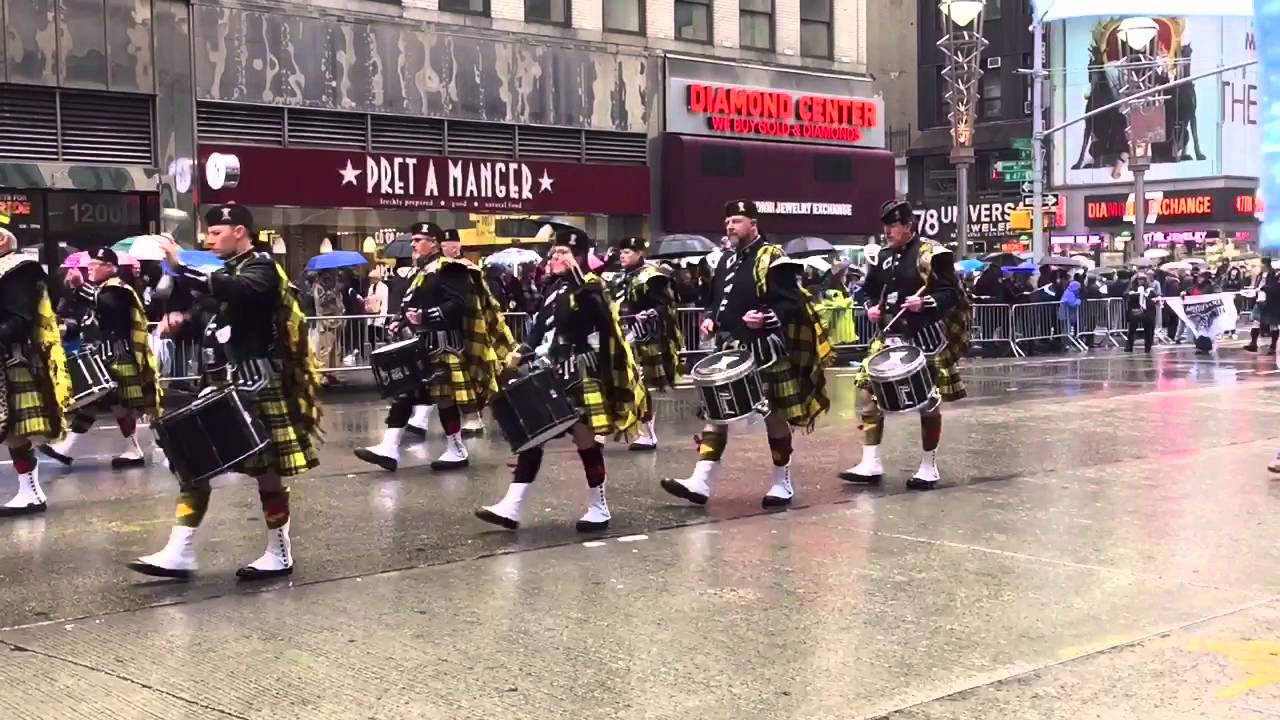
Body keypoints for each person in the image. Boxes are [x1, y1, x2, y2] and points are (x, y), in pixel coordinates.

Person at [130, 204, 323, 580]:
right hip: (218, 383)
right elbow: (209, 312)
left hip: (254, 383)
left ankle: (279, 552)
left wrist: (180, 265)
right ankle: (178, 551)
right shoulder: (225, 271)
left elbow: (237, 291)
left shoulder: (262, 268)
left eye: (215, 233)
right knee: (193, 465)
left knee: (267, 474)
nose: (208, 239)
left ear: (239, 231)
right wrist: (182, 322)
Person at [661, 201, 832, 508]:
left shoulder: (772, 256)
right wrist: (711, 317)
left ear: (753, 223)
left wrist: (767, 317)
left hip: (764, 347)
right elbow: (716, 299)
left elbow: (791, 302)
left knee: (773, 415)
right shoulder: (726, 259)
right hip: (730, 347)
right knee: (716, 413)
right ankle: (700, 482)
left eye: (736, 220)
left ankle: (782, 482)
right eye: (727, 221)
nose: (729, 226)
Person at [475, 229, 643, 532]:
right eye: (553, 253)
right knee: (533, 437)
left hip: (578, 372)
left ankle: (598, 506)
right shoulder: (553, 289)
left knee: (585, 441)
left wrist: (582, 285)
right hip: (547, 371)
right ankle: (511, 507)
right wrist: (520, 353)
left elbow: (605, 321)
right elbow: (538, 331)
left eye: (562, 253)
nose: (554, 258)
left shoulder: (592, 288)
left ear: (578, 257)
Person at [355, 225, 512, 471]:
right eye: (413, 240)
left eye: (419, 240)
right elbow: (414, 307)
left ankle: (454, 449)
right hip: (423, 346)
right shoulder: (423, 273)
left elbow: (457, 304)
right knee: (408, 392)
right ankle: (391, 447)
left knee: (443, 399)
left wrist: (425, 315)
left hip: (444, 346)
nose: (413, 245)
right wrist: (402, 320)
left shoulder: (450, 269)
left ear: (435, 243)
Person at [840, 200, 970, 490]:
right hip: (889, 335)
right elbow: (866, 290)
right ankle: (870, 462)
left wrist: (924, 302)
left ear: (908, 226)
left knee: (928, 401)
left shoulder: (932, 254)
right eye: (885, 225)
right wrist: (871, 307)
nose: (887, 231)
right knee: (868, 394)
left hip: (924, 335)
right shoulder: (882, 257)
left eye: (893, 226)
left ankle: (928, 466)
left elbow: (951, 293)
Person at [39, 247, 161, 469]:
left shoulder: (119, 290)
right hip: (97, 355)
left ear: (111, 267)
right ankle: (74, 447)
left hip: (117, 353)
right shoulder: (95, 291)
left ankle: (137, 447)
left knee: (113, 403)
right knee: (99, 401)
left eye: (96, 264)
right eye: (90, 264)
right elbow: (84, 318)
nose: (91, 268)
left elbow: (105, 305)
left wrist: (79, 286)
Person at [0, 226, 72, 517]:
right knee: (14, 433)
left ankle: (29, 492)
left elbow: (20, 319)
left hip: (10, 359)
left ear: (2, 239)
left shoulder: (19, 270)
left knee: (14, 431)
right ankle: (30, 491)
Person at [608, 236, 682, 450]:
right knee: (625, 385)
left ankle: (648, 434)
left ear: (640, 253)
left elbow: (665, 306)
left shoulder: (652, 277)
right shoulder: (620, 277)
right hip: (623, 336)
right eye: (621, 252)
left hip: (644, 339)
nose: (623, 255)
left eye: (628, 252)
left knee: (641, 387)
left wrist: (649, 314)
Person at [1125, 274, 1158, 353]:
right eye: (1139, 279)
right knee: (1132, 330)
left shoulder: (1150, 290)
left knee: (1149, 331)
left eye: (1143, 279)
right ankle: (1129, 347)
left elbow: (1155, 297)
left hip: (1148, 312)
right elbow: (1126, 297)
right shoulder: (1132, 290)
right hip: (1136, 311)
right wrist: (1135, 294)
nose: (1141, 281)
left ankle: (1148, 347)